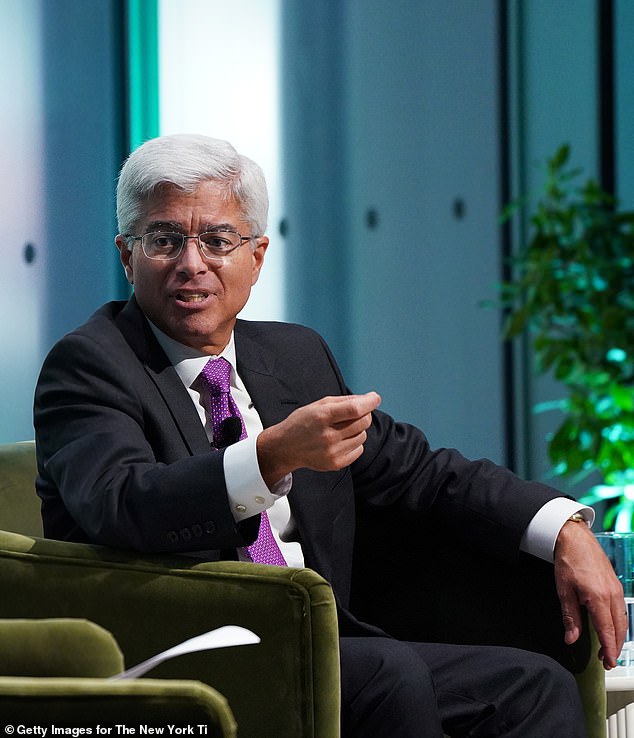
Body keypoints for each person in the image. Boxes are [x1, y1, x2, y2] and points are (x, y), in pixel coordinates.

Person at [34, 133, 626, 737]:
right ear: (126, 256)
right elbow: (122, 501)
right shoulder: (89, 363)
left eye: (217, 240)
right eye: (163, 239)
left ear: (257, 256)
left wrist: (563, 529)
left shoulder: (294, 356)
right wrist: (269, 458)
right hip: (185, 654)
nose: (193, 263)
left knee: (529, 687)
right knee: (389, 674)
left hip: (328, 647)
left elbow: (422, 472)